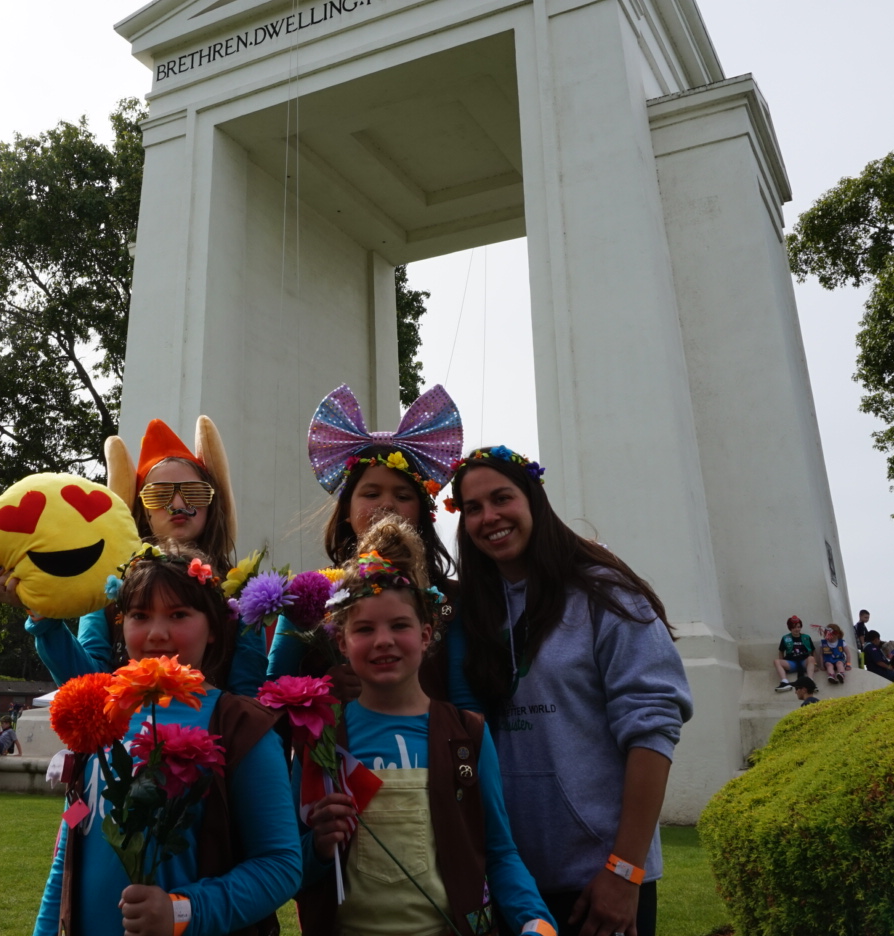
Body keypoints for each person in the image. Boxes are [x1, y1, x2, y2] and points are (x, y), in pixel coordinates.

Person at [446, 446, 692, 936]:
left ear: (534, 500)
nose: (489, 517)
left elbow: (652, 729)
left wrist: (625, 869)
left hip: (601, 879)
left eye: (502, 498)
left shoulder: (606, 592)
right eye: (473, 508)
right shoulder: (471, 612)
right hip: (510, 883)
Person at [295, 514, 556, 936]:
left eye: (400, 625)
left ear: (426, 634)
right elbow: (288, 865)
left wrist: (534, 919)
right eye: (364, 629)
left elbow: (497, 851)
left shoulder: (467, 735)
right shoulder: (320, 738)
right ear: (341, 642)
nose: (383, 640)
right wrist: (319, 849)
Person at [34, 542, 300, 936]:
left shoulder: (242, 726)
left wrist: (182, 912)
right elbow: (70, 844)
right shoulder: (101, 714)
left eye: (178, 615)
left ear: (214, 628)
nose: (157, 634)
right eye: (140, 615)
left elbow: (280, 865)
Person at [0, 416, 271, 698]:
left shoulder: (241, 591)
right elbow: (87, 682)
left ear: (213, 502)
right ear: (142, 509)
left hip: (215, 727)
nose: (178, 504)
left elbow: (248, 695)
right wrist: (41, 613)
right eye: (158, 495)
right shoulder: (107, 583)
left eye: (194, 493)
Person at [271, 383, 464, 700]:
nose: (387, 505)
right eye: (371, 494)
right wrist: (323, 688)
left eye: (403, 496)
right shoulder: (307, 596)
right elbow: (272, 690)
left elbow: (465, 700)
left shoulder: (452, 598)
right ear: (346, 510)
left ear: (423, 514)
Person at [773, 616, 817, 692]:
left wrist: (815, 664)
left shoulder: (806, 637)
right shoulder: (785, 638)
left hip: (804, 662)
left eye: (798, 627)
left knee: (811, 658)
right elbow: (781, 651)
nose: (797, 629)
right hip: (791, 663)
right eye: (794, 627)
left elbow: (813, 651)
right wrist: (783, 665)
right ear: (790, 628)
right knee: (776, 661)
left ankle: (810, 682)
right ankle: (784, 682)